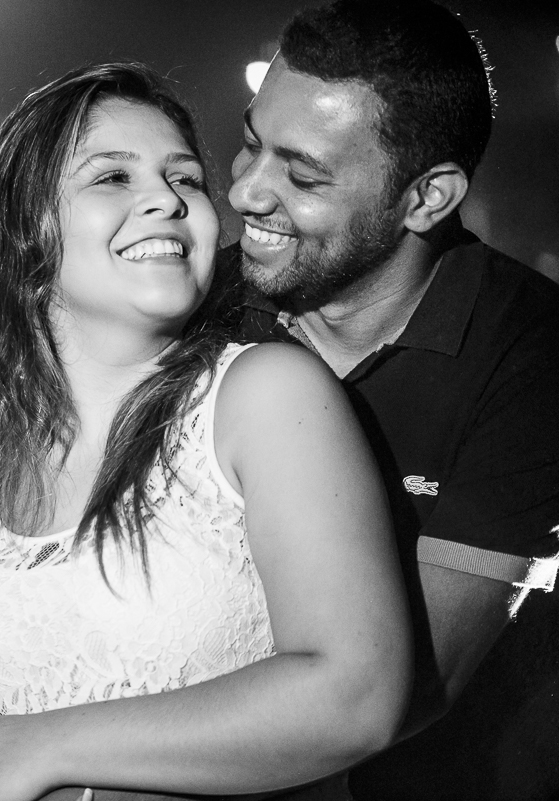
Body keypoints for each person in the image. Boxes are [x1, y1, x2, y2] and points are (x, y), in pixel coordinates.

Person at [0, 61, 412, 801]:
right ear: (27, 231)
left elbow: (355, 694)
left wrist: (43, 748)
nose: (166, 202)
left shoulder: (266, 396)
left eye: (185, 179)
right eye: (112, 177)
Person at [224, 1, 559, 797]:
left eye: (302, 174)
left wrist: (74, 746)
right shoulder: (201, 310)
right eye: (249, 144)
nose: (244, 193)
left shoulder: (533, 354)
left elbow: (395, 691)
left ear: (427, 198)